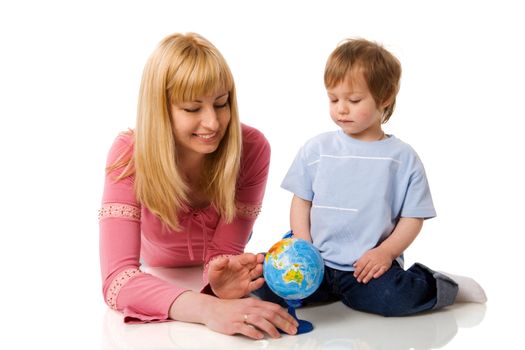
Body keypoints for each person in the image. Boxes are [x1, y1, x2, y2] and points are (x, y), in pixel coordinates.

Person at [255, 38, 486, 316]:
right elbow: (301, 201)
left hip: (365, 268)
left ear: (385, 97)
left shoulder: (402, 158)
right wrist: (303, 245)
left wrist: (386, 252)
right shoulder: (317, 149)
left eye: (354, 100)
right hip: (315, 264)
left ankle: (443, 286)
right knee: (262, 285)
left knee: (394, 298)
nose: (341, 108)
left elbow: (413, 217)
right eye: (333, 98)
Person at [99, 32, 298, 339]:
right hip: (157, 267)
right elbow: (117, 280)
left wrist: (218, 283)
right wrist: (207, 308)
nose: (213, 123)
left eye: (221, 103)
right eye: (192, 109)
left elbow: (225, 251)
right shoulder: (129, 153)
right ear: (160, 110)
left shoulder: (253, 148)